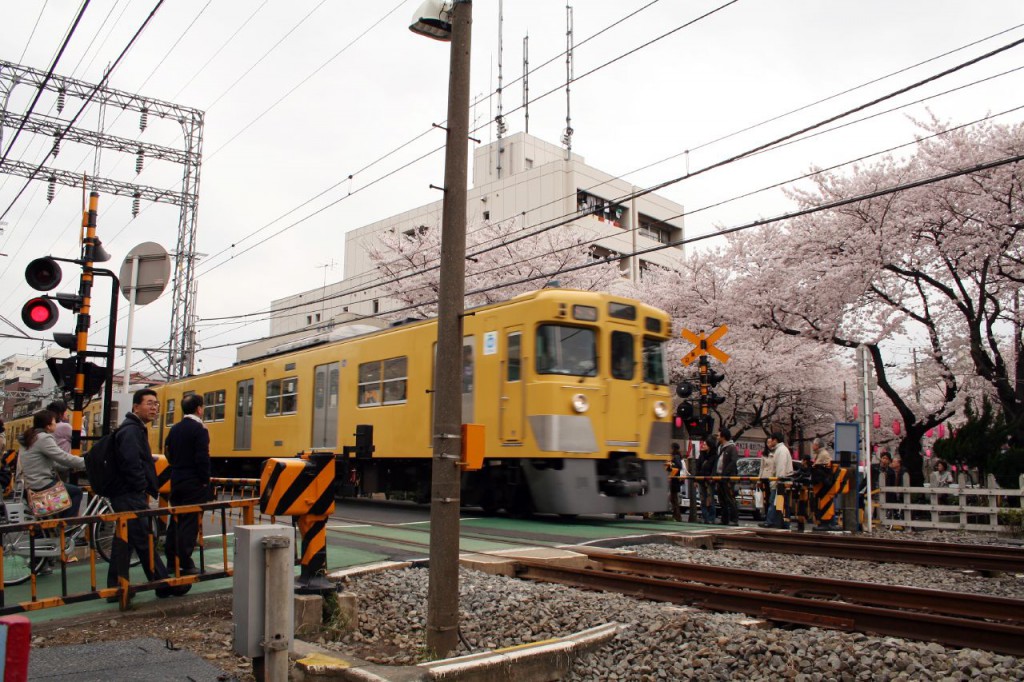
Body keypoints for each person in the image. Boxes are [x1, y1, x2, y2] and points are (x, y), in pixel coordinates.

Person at [106, 388, 189, 601]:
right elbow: (131, 462)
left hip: (126, 493)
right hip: (130, 493)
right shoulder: (131, 431)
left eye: (156, 404)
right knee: (144, 538)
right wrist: (141, 486)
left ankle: (115, 588)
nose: (154, 408)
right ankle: (162, 583)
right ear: (136, 406)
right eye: (149, 403)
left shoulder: (133, 428)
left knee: (124, 539)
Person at [164, 393, 211, 575]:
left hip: (176, 479)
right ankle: (185, 562)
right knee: (190, 522)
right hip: (193, 482)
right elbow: (202, 458)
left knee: (175, 520)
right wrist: (204, 480)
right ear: (199, 409)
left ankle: (171, 560)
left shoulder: (174, 428)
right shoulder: (200, 429)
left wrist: (176, 466)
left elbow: (167, 451)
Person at [19, 409, 85, 521]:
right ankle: (68, 530)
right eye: (54, 421)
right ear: (48, 426)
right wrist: (86, 462)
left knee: (66, 496)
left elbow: (52, 463)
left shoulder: (30, 437)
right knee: (76, 493)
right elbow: (62, 457)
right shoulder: (44, 438)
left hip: (31, 485)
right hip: (42, 486)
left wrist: (70, 467)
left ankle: (53, 528)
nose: (56, 423)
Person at [760, 432, 793, 528]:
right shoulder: (781, 450)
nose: (770, 442)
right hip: (782, 481)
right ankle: (783, 522)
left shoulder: (780, 451)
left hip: (780, 482)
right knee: (781, 503)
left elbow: (780, 467)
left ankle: (770, 521)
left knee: (774, 502)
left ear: (775, 440)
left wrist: (778, 482)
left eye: (772, 440)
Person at [715, 429, 739, 526]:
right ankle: (724, 519)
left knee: (729, 498)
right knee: (722, 499)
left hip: (728, 478)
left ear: (723, 436)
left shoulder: (731, 448)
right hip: (720, 477)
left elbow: (733, 461)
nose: (717, 437)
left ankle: (734, 519)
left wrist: (726, 473)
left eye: (718, 435)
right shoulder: (721, 448)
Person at [696, 437, 718, 524]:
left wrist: (712, 478)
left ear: (710, 446)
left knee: (710, 499)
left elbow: (714, 468)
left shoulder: (715, 456)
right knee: (702, 499)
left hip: (709, 481)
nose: (703, 445)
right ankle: (705, 518)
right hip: (701, 480)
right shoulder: (701, 455)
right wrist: (695, 479)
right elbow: (697, 467)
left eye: (705, 444)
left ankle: (711, 518)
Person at [666, 443, 685, 522]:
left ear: (673, 448)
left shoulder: (676, 456)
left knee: (674, 498)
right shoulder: (676, 456)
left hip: (675, 479)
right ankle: (676, 515)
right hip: (675, 479)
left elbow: (678, 466)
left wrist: (671, 468)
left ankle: (678, 516)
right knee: (673, 498)